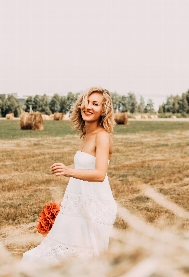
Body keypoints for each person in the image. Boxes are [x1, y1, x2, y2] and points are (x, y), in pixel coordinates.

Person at [21, 86, 117, 263]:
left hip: (96, 207)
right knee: (55, 257)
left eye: (95, 104)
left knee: (86, 262)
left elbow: (100, 174)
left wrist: (69, 171)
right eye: (86, 102)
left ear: (103, 110)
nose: (88, 106)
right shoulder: (87, 135)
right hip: (79, 204)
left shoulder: (102, 136)